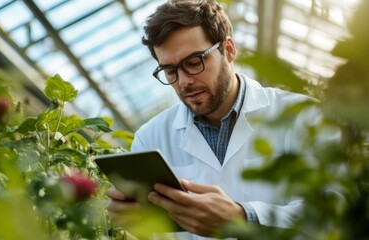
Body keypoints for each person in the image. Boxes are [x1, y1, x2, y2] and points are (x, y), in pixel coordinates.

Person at [106, 0, 317, 239]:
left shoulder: (301, 115)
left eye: (194, 62)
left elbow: (335, 212)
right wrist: (134, 220)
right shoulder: (150, 138)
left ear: (228, 50)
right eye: (170, 71)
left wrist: (243, 217)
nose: (184, 81)